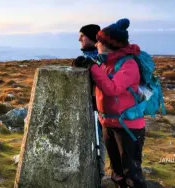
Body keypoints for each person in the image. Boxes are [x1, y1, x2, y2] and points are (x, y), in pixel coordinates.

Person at [78, 18, 147, 187]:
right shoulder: (106, 63)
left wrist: (93, 67)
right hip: (109, 123)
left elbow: (112, 88)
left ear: (108, 44)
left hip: (128, 127)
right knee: (117, 172)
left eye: (99, 42)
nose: (95, 45)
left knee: (132, 173)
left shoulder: (128, 64)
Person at [72, 23, 107, 182]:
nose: (79, 38)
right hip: (97, 107)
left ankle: (99, 175)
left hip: (99, 107)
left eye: (82, 35)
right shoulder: (92, 57)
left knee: (100, 140)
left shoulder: (99, 58)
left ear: (92, 37)